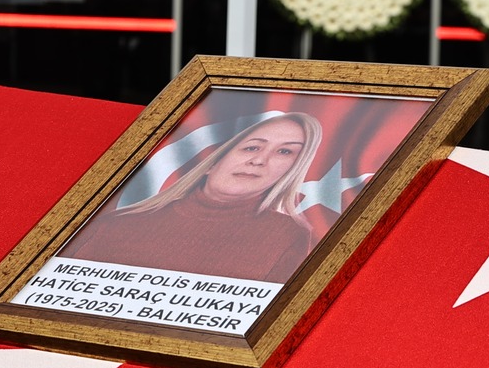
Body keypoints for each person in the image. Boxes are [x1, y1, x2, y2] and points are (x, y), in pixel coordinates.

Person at [65, 113, 322, 283]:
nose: (258, 160)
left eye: (284, 152)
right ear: (212, 162)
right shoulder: (117, 223)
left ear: (291, 171)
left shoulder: (288, 234)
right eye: (252, 147)